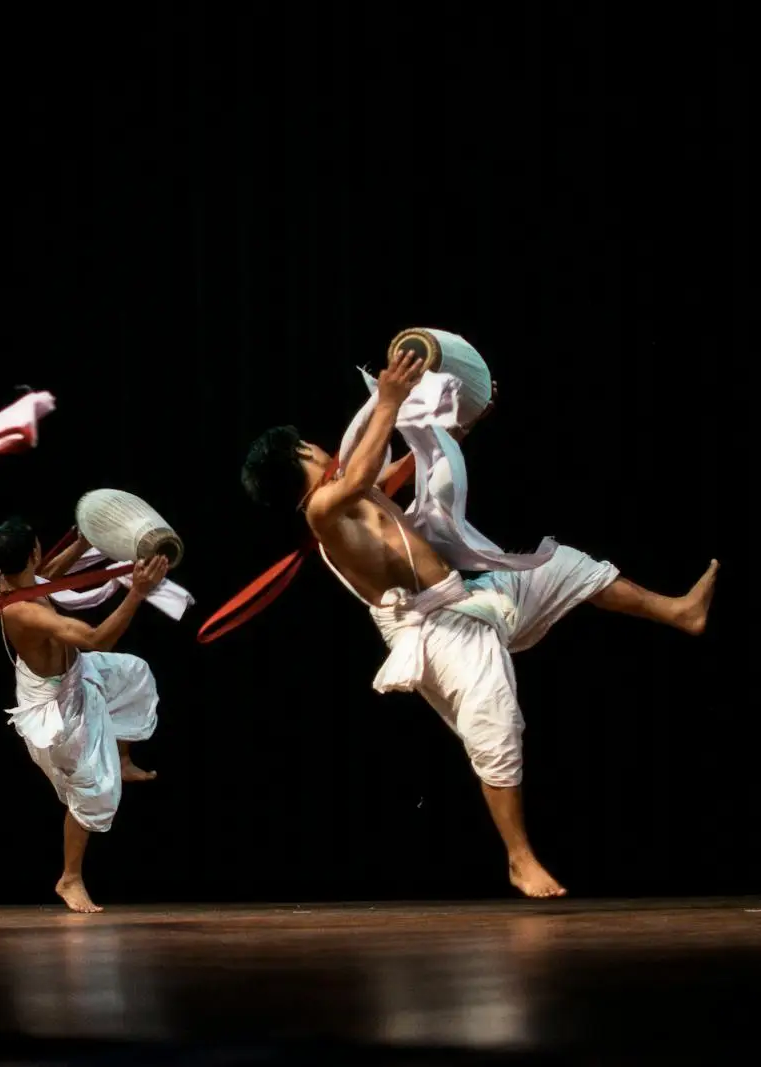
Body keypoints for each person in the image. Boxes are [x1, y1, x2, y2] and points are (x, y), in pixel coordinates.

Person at [239, 346, 717, 898]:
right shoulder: (323, 512)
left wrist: (461, 424)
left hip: (469, 596)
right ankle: (520, 859)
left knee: (567, 568)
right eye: (306, 446)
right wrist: (388, 399)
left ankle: (678, 611)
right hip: (434, 631)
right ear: (298, 462)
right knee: (495, 722)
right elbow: (367, 466)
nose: (320, 446)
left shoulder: (353, 494)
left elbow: (411, 465)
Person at [0, 518, 169, 913]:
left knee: (133, 674)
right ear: (33, 551)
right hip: (56, 705)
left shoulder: (9, 578)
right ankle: (70, 877)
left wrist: (81, 541)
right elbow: (94, 638)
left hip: (75, 672)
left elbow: (48, 574)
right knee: (94, 790)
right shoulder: (24, 612)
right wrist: (137, 593)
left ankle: (122, 758)